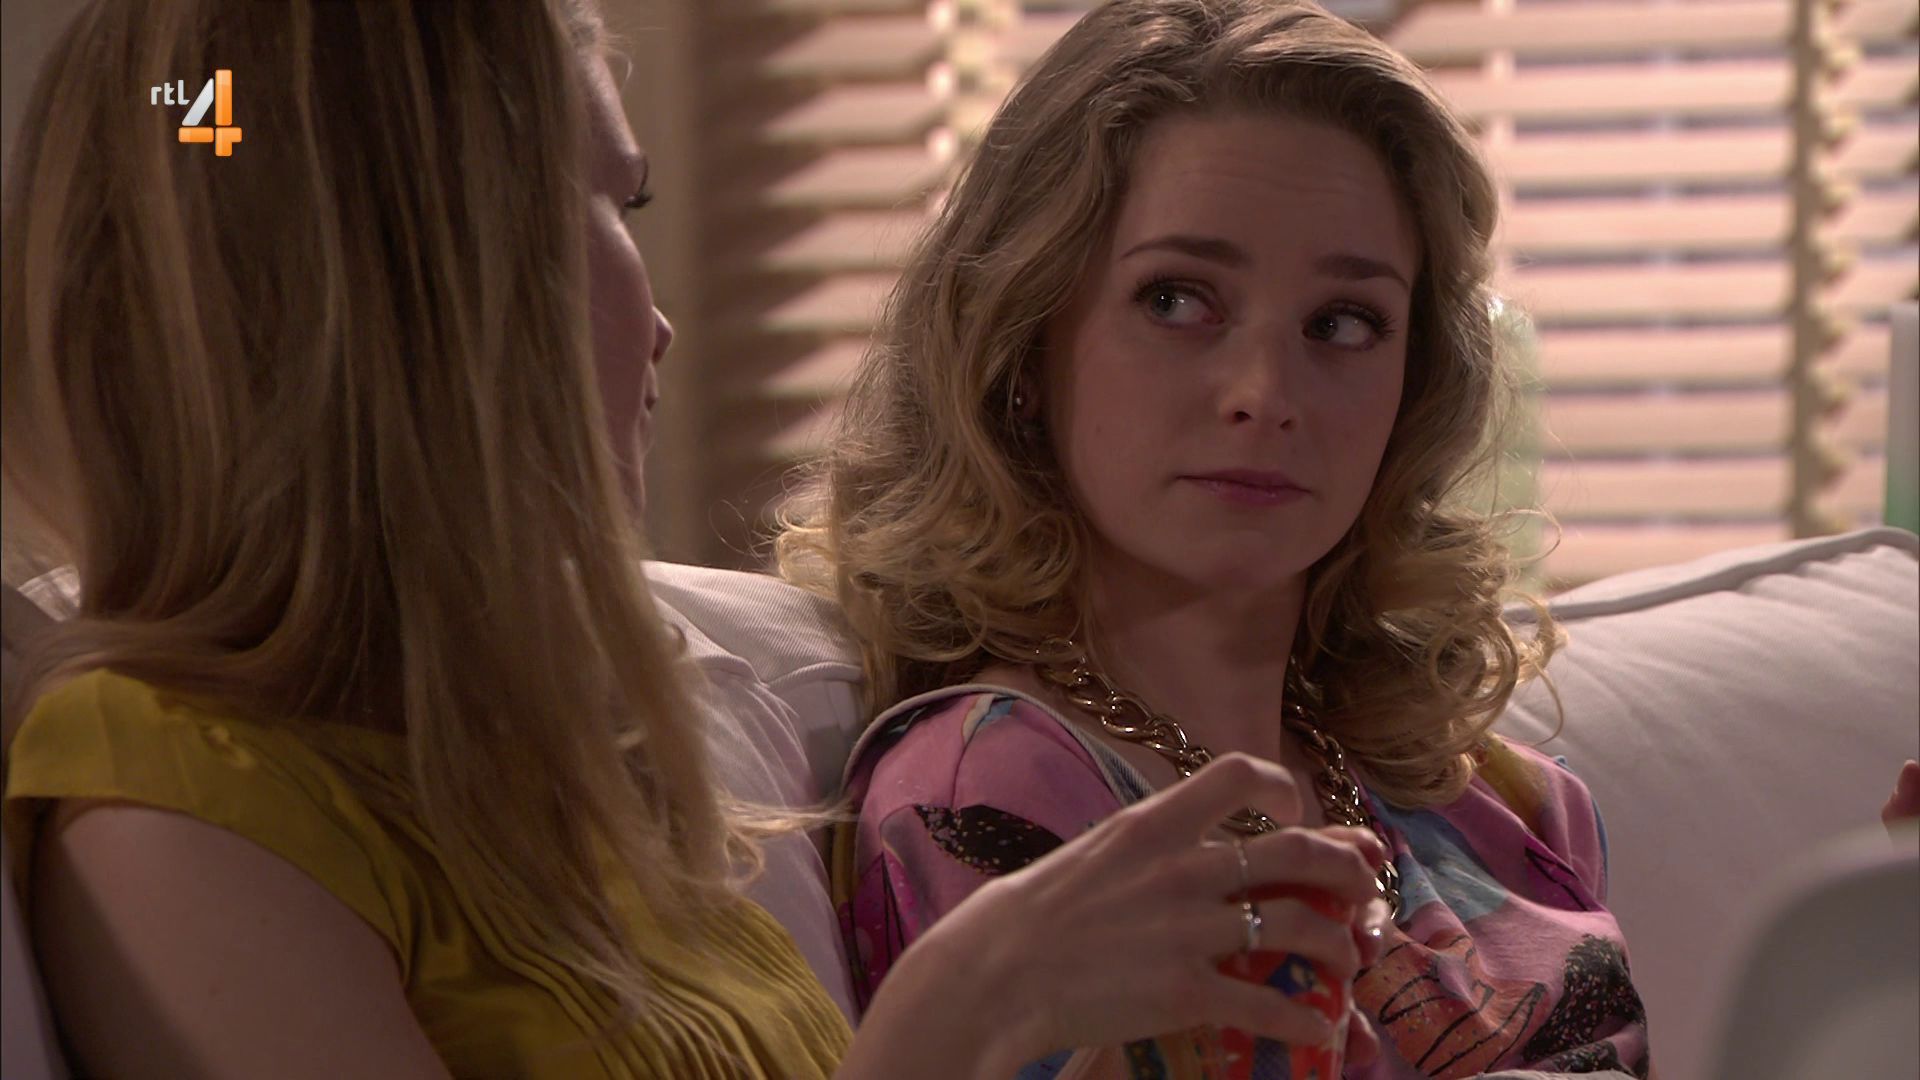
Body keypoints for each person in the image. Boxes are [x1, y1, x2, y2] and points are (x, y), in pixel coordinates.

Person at [0, 2, 1389, 1077]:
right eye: (612, 207)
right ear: (421, 287)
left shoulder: (572, 738)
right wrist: (960, 1017)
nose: (659, 320)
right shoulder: (175, 803)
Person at [775, 1, 1653, 1076]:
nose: (1265, 393)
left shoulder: (1504, 802)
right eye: (1178, 300)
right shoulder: (995, 794)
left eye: (1343, 322)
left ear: (1412, 387)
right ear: (1021, 343)